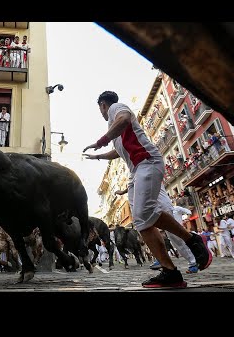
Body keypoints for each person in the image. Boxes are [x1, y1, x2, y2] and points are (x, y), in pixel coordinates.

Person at [83, 91, 211, 288]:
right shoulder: (114, 126)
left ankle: (193, 240)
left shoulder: (116, 109)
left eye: (100, 108)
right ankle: (170, 272)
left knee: (144, 214)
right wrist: (98, 156)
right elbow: (118, 151)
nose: (101, 111)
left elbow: (125, 119)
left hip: (147, 162)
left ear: (102, 105)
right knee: (142, 222)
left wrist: (101, 141)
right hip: (136, 171)